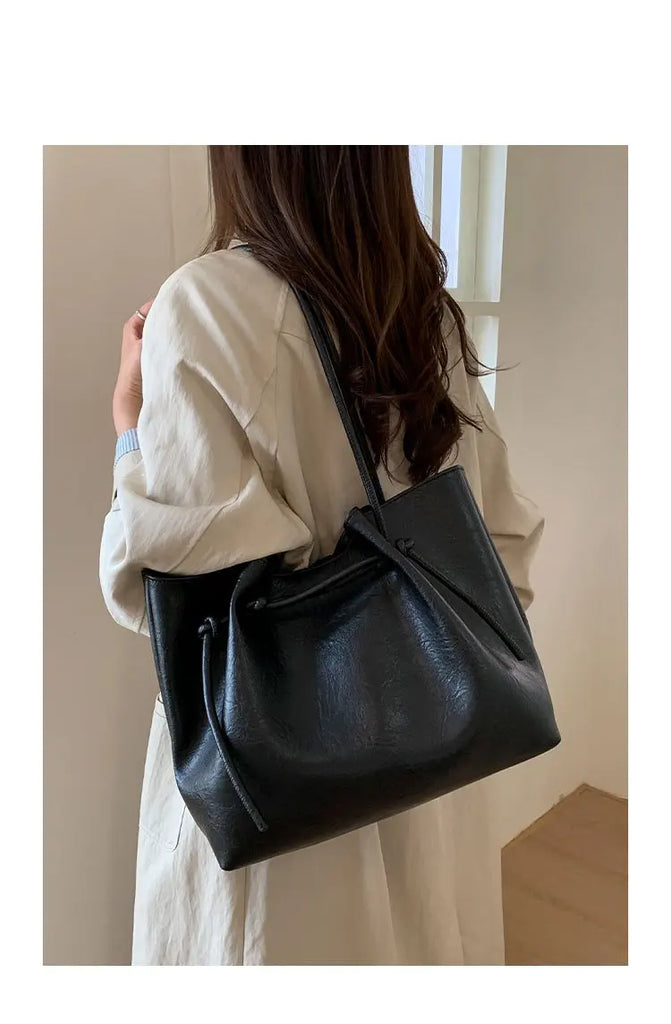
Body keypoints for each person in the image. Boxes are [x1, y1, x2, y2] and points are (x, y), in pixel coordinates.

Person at [98, 145, 545, 966]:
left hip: (282, 801)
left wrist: (131, 429)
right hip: (437, 754)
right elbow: (504, 547)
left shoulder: (205, 301)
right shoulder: (427, 314)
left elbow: (171, 599)